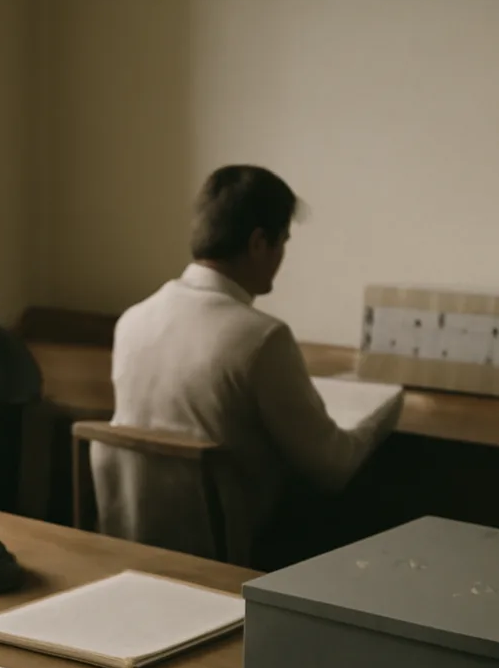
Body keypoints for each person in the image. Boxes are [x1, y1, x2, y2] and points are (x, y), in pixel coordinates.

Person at [92, 165, 401, 567]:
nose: (282, 258)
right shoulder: (261, 338)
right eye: (282, 242)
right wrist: (383, 414)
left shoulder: (133, 320)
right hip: (229, 555)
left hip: (133, 546)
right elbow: (332, 467)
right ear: (259, 243)